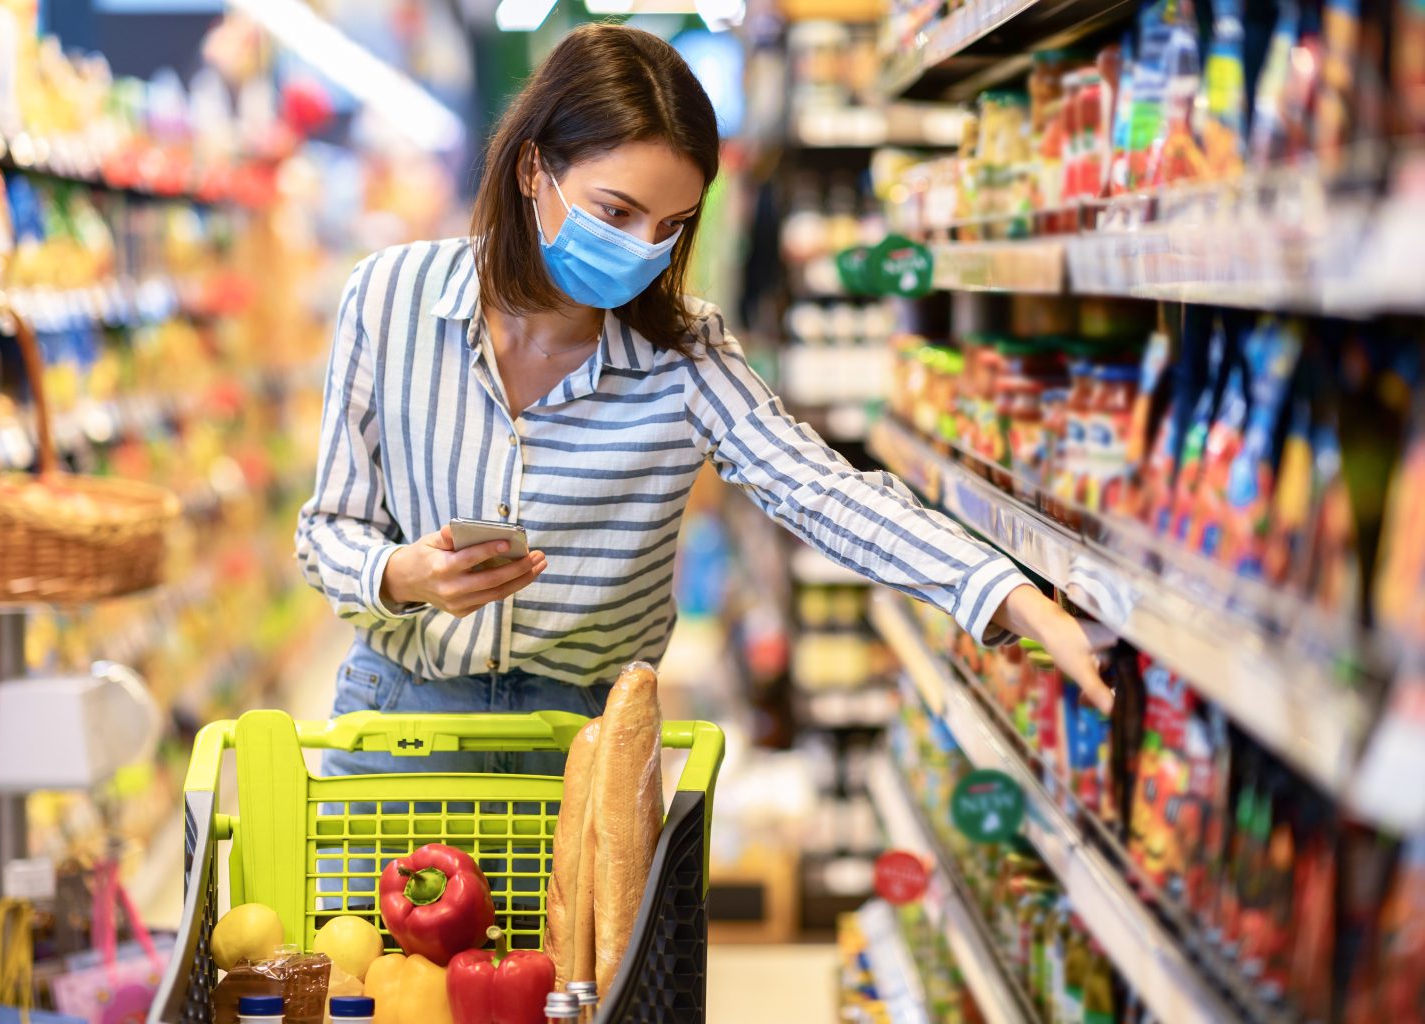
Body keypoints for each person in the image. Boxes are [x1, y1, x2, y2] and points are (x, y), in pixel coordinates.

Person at [295, 23, 1111, 781]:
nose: (642, 250)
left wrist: (1010, 597)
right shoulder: (388, 298)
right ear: (531, 169)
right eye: (616, 212)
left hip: (590, 748)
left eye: (669, 226)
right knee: (367, 942)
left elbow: (820, 490)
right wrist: (401, 574)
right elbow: (328, 527)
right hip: (397, 728)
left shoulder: (684, 353)